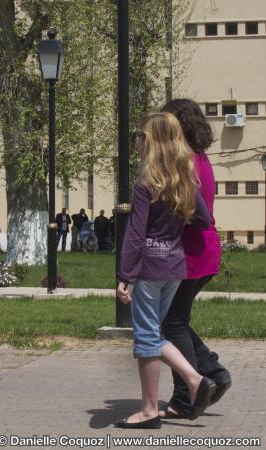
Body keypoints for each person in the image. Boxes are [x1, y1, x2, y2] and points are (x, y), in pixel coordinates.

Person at [116, 112, 216, 429]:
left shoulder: (146, 184)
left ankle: (186, 384)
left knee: (146, 337)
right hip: (174, 266)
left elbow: (135, 233)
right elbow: (203, 218)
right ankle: (171, 394)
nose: (137, 140)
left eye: (141, 135)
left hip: (149, 268)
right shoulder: (185, 180)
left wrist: (125, 276)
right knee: (151, 335)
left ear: (152, 142)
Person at [159, 99, 231, 419]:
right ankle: (213, 375)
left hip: (191, 252)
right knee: (176, 322)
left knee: (170, 324)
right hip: (204, 250)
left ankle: (188, 394)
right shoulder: (199, 156)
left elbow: (191, 212)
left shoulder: (183, 160)